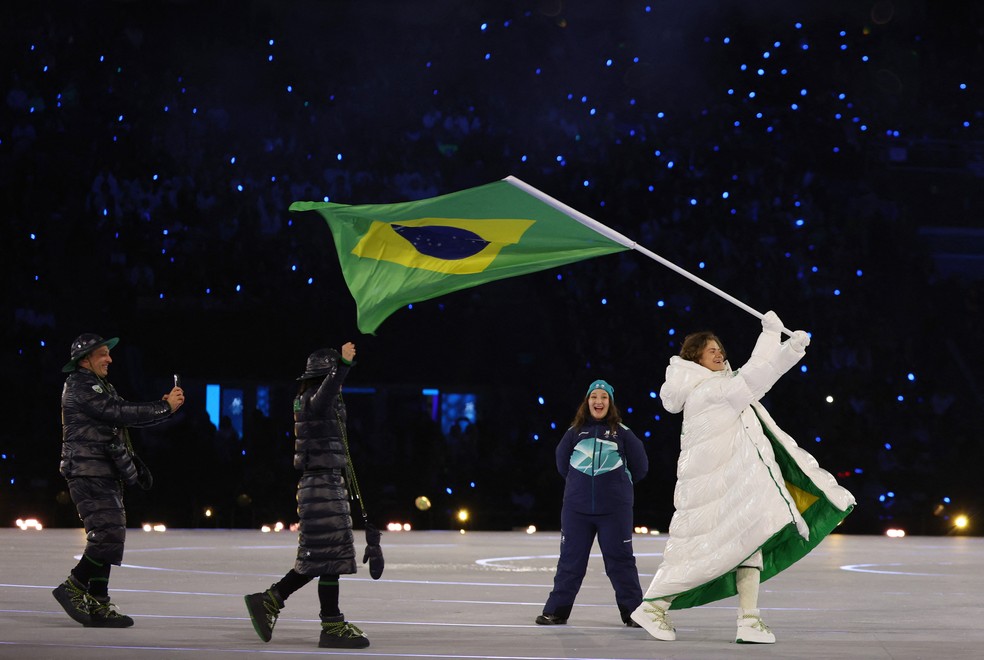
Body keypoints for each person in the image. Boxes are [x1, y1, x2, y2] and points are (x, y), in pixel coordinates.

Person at [630, 311, 855, 644]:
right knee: (702, 555)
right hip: (714, 492)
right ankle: (653, 607)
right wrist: (769, 336)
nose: (719, 353)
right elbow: (753, 378)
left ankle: (748, 620)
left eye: (720, 348)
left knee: (748, 546)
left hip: (733, 487)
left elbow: (757, 379)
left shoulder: (721, 387)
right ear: (696, 359)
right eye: (711, 351)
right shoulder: (709, 392)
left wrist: (789, 350)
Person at [244, 341, 376, 649]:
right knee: (329, 556)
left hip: (323, 485)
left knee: (326, 557)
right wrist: (343, 365)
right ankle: (330, 623)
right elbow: (329, 392)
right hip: (321, 487)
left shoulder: (310, 401)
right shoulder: (315, 399)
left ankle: (272, 600)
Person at [52, 333, 185, 627]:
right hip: (88, 471)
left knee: (109, 537)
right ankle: (74, 587)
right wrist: (165, 408)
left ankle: (99, 602)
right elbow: (119, 412)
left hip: (102, 471)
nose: (109, 358)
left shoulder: (99, 386)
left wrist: (163, 408)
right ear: (84, 359)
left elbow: (123, 417)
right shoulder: (80, 386)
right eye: (103, 354)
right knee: (107, 535)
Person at [536, 379, 649, 627]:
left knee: (621, 562)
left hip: (614, 511)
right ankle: (556, 611)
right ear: (587, 402)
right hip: (577, 510)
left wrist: (620, 484)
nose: (599, 401)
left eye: (604, 397)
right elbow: (561, 463)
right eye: (594, 397)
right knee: (570, 561)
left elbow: (640, 467)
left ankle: (634, 613)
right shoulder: (573, 432)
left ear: (611, 402)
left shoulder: (623, 432)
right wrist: (581, 486)